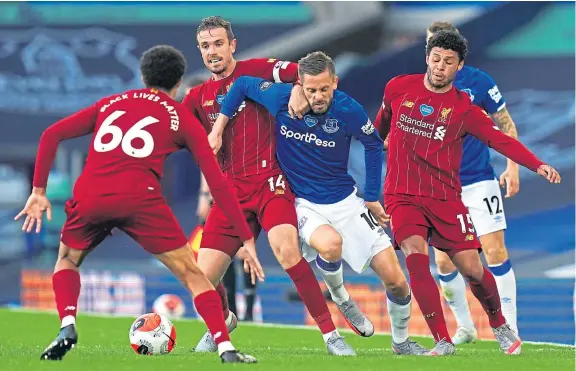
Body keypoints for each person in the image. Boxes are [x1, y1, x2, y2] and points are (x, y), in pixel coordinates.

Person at [15, 45, 260, 364]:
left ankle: (67, 326)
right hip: (139, 198)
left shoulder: (110, 103)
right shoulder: (181, 117)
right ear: (178, 83)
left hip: (91, 194)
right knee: (193, 274)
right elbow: (219, 184)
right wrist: (246, 236)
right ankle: (226, 349)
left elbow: (51, 134)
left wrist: (38, 191)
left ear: (144, 77)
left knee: (67, 260)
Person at [209, 51, 429, 356]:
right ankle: (342, 299)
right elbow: (243, 84)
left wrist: (371, 195)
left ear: (335, 83)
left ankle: (401, 342)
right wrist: (218, 127)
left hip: (346, 201)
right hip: (303, 204)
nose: (317, 96)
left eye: (324, 89)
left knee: (396, 282)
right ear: (300, 84)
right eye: (310, 89)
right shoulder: (281, 98)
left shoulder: (348, 109)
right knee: (330, 245)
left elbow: (372, 144)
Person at [374, 30, 561, 356]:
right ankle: (442, 340)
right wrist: (379, 140)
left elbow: (500, 139)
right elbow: (382, 123)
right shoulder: (398, 86)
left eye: (448, 62)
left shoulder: (464, 108)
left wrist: (535, 164)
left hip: (445, 196)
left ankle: (500, 325)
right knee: (416, 259)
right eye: (436, 59)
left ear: (459, 67)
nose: (440, 66)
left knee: (473, 270)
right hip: (402, 193)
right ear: (426, 57)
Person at [182, 16, 356, 355]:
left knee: (286, 250)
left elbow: (303, 72)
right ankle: (224, 320)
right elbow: (176, 132)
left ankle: (331, 336)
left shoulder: (258, 69)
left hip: (270, 182)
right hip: (229, 193)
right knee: (200, 278)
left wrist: (295, 88)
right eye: (205, 46)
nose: (213, 51)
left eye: (219, 43)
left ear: (232, 45)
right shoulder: (197, 96)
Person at [426, 21, 521, 343]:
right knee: (443, 258)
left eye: (444, 52)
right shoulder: (415, 88)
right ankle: (465, 326)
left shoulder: (478, 82)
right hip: (437, 186)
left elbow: (505, 125)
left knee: (494, 251)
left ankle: (510, 329)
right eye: (431, 50)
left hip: (479, 180)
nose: (437, 60)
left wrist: (513, 166)